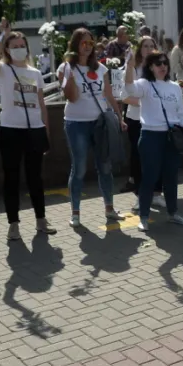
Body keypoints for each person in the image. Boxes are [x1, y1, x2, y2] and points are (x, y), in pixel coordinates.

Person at [0, 20, 56, 240]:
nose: (19, 49)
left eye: (21, 45)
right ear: (7, 49)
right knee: (12, 178)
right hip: (10, 129)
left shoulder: (35, 72)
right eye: (14, 45)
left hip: (34, 129)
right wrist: (3, 35)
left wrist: (45, 129)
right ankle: (14, 223)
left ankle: (41, 220)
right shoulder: (3, 70)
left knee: (36, 177)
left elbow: (41, 102)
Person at [58, 28, 121, 225]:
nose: (87, 46)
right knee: (79, 168)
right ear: (75, 44)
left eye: (90, 43)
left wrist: (120, 117)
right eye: (83, 43)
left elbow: (109, 96)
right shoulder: (65, 68)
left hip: (100, 123)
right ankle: (75, 212)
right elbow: (72, 97)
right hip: (77, 124)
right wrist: (70, 74)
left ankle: (109, 208)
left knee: (105, 166)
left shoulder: (101, 69)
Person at [126, 48, 183, 232]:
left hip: (172, 136)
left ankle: (173, 213)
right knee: (149, 177)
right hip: (150, 136)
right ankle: (144, 217)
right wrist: (129, 66)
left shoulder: (174, 87)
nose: (162, 66)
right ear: (151, 67)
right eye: (158, 63)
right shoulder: (145, 84)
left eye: (165, 63)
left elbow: (181, 114)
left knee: (171, 177)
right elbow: (129, 88)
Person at [121, 36, 161, 202]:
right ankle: (140, 194)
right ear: (139, 49)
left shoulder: (160, 67)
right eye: (145, 46)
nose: (149, 49)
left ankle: (157, 193)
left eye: (152, 46)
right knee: (138, 157)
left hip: (155, 120)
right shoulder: (132, 69)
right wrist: (145, 102)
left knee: (157, 156)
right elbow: (124, 96)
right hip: (136, 119)